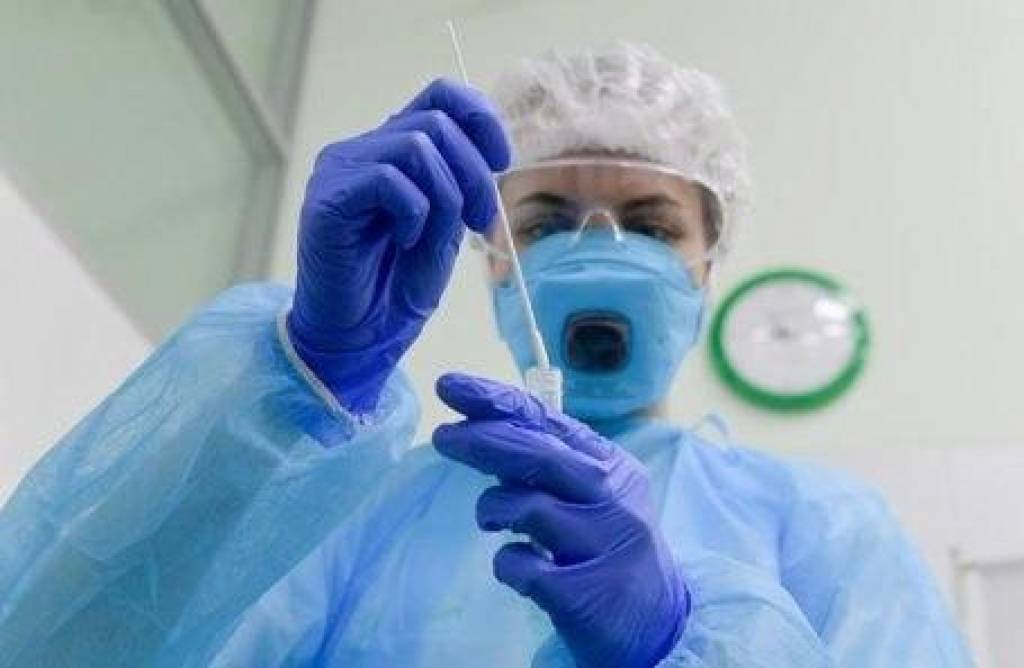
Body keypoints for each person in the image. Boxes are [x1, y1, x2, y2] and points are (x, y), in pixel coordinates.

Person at [0, 44, 970, 667]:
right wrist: (292, 391)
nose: (597, 249)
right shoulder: (361, 510)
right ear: (492, 255)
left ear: (706, 265)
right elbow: (72, 643)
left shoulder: (822, 526)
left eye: (648, 224)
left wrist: (682, 642)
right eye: (544, 222)